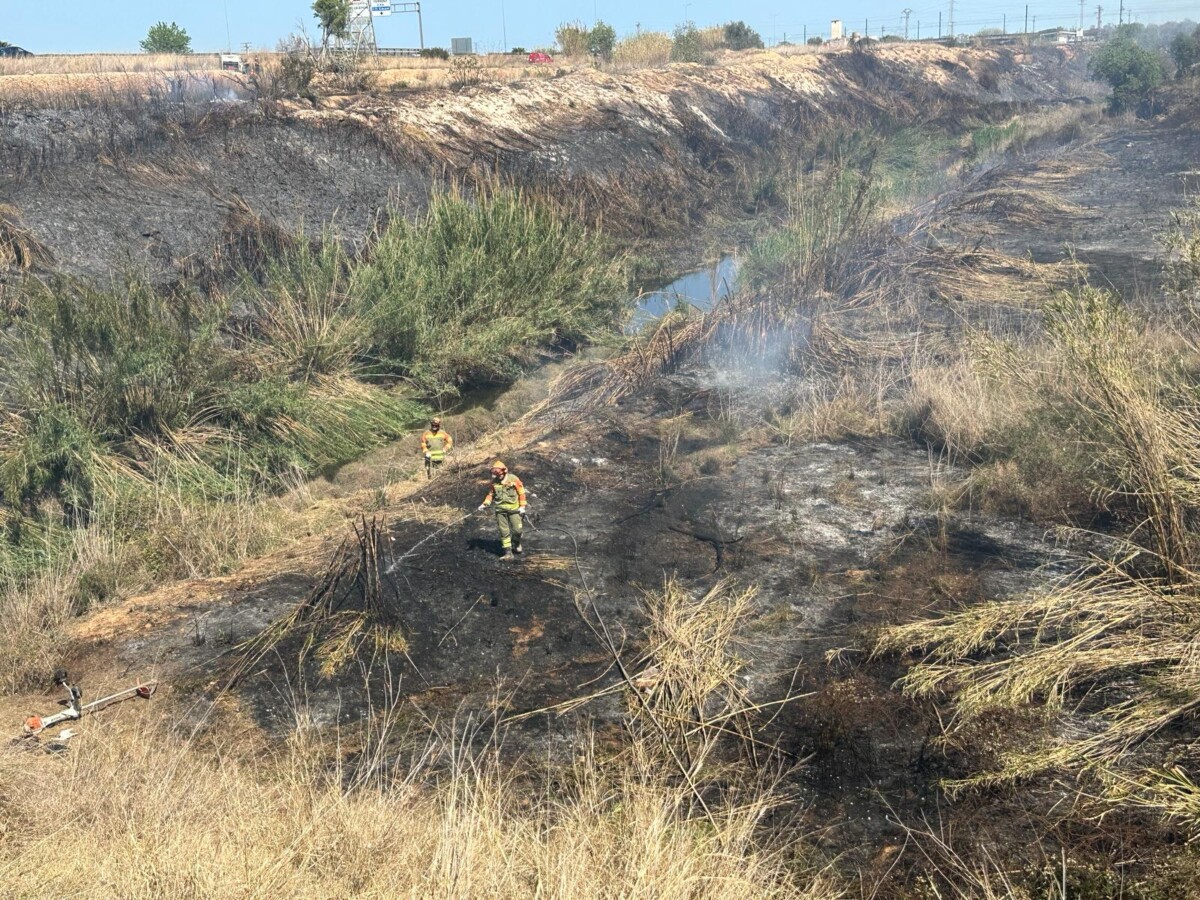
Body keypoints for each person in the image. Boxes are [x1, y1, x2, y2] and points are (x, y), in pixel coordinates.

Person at [478, 461, 527, 560]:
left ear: (504, 472)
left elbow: (521, 493)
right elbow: (491, 494)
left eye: (498, 473)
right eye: (495, 474)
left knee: (517, 530)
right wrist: (485, 504)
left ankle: (516, 543)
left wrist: (522, 507)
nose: (497, 476)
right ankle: (508, 553)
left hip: (514, 510)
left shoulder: (513, 479)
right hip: (500, 511)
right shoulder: (494, 483)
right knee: (504, 532)